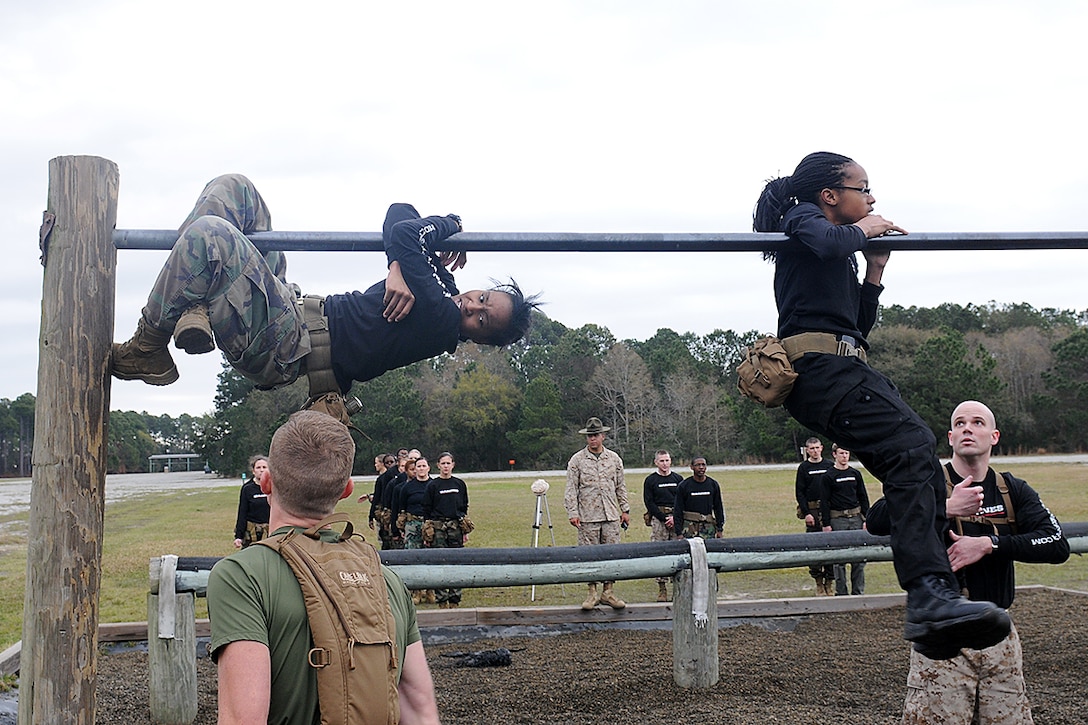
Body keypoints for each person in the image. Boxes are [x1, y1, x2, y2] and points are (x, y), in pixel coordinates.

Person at [752, 151, 1010, 656]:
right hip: (821, 373)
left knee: (914, 458)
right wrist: (866, 228)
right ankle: (927, 596)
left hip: (846, 366)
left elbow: (856, 325)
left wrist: (872, 270)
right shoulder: (804, 218)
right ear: (830, 195)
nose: (871, 199)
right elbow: (828, 240)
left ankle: (934, 612)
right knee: (913, 443)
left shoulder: (839, 250)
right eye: (863, 189)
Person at [111, 174, 540, 399]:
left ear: (480, 339)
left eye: (483, 320)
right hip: (290, 308)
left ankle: (148, 348)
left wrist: (452, 223)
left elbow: (409, 233)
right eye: (482, 298)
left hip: (286, 343)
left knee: (211, 235)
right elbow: (399, 211)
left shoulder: (441, 319)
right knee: (236, 191)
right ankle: (197, 307)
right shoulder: (440, 286)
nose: (472, 308)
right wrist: (396, 266)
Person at [207, 410, 440, 724]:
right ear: (346, 489)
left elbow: (242, 719)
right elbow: (421, 711)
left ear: (266, 482)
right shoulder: (385, 580)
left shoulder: (242, 577)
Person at [867, 401, 1069, 724]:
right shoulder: (926, 481)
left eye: (977, 422)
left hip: (999, 637)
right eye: (959, 423)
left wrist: (990, 544)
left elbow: (1056, 543)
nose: (967, 429)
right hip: (944, 638)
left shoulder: (1010, 490)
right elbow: (875, 520)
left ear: (994, 436)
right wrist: (944, 506)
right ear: (950, 437)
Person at [564, 416, 630, 610]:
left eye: (596, 435)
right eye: (590, 436)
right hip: (587, 516)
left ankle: (608, 592)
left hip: (610, 515)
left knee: (611, 554)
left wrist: (624, 509)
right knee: (589, 555)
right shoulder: (577, 460)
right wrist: (572, 512)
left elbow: (620, 486)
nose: (593, 439)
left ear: (603, 436)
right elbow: (571, 489)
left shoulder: (614, 459)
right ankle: (592, 593)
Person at [820, 444, 870, 595]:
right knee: (839, 560)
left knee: (859, 559)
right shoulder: (828, 476)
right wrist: (826, 524)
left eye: (847, 453)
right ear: (834, 454)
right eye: (841, 453)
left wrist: (867, 519)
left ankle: (858, 593)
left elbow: (863, 497)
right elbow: (824, 501)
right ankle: (841, 593)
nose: (844, 456)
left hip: (855, 518)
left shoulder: (855, 474)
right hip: (838, 519)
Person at [423, 451, 470, 608]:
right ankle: (442, 599)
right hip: (438, 529)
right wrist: (428, 531)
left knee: (456, 562)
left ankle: (455, 599)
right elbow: (427, 510)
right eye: (443, 463)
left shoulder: (459, 484)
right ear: (438, 465)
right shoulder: (433, 485)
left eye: (448, 463)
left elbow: (464, 507)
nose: (445, 466)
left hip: (455, 527)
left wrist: (464, 531)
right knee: (440, 563)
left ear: (453, 465)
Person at [795, 437, 834, 596]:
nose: (815, 451)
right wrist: (806, 513)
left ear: (822, 448)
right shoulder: (804, 468)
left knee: (831, 547)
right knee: (814, 547)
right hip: (812, 511)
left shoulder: (829, 465)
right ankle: (818, 582)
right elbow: (800, 492)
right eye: (811, 449)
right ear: (807, 450)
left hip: (829, 511)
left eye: (817, 448)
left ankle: (830, 582)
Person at [643, 449, 683, 601]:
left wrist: (675, 518)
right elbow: (649, 502)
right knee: (659, 551)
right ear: (656, 462)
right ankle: (662, 588)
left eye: (667, 460)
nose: (664, 464)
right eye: (661, 461)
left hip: (677, 519)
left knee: (677, 551)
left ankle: (677, 589)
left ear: (670, 461)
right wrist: (663, 517)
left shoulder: (678, 479)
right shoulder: (650, 480)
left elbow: (682, 500)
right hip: (658, 520)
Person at [394, 455, 433, 604]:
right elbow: (401, 508)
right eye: (418, 466)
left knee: (430, 558)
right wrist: (401, 527)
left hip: (429, 524)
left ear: (428, 468)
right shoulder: (407, 488)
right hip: (412, 524)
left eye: (424, 466)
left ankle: (430, 591)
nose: (421, 469)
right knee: (413, 557)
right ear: (414, 469)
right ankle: (416, 592)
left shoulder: (433, 485)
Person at [671, 457, 724, 540]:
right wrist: (678, 533)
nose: (701, 467)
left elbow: (718, 508)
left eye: (703, 465)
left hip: (707, 527)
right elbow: (678, 510)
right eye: (698, 465)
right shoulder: (684, 486)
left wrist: (719, 529)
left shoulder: (713, 485)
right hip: (689, 527)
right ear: (691, 467)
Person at [232, 454, 270, 549]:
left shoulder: (275, 487)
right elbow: (242, 513)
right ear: (253, 471)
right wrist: (238, 537)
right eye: (258, 467)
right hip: (252, 534)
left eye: (264, 467)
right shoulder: (247, 489)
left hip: (271, 532)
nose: (261, 470)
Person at [369, 453, 398, 549]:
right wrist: (371, 516)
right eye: (387, 463)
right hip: (384, 512)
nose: (390, 464)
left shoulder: (400, 478)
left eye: (392, 462)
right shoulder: (381, 479)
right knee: (385, 539)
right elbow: (377, 497)